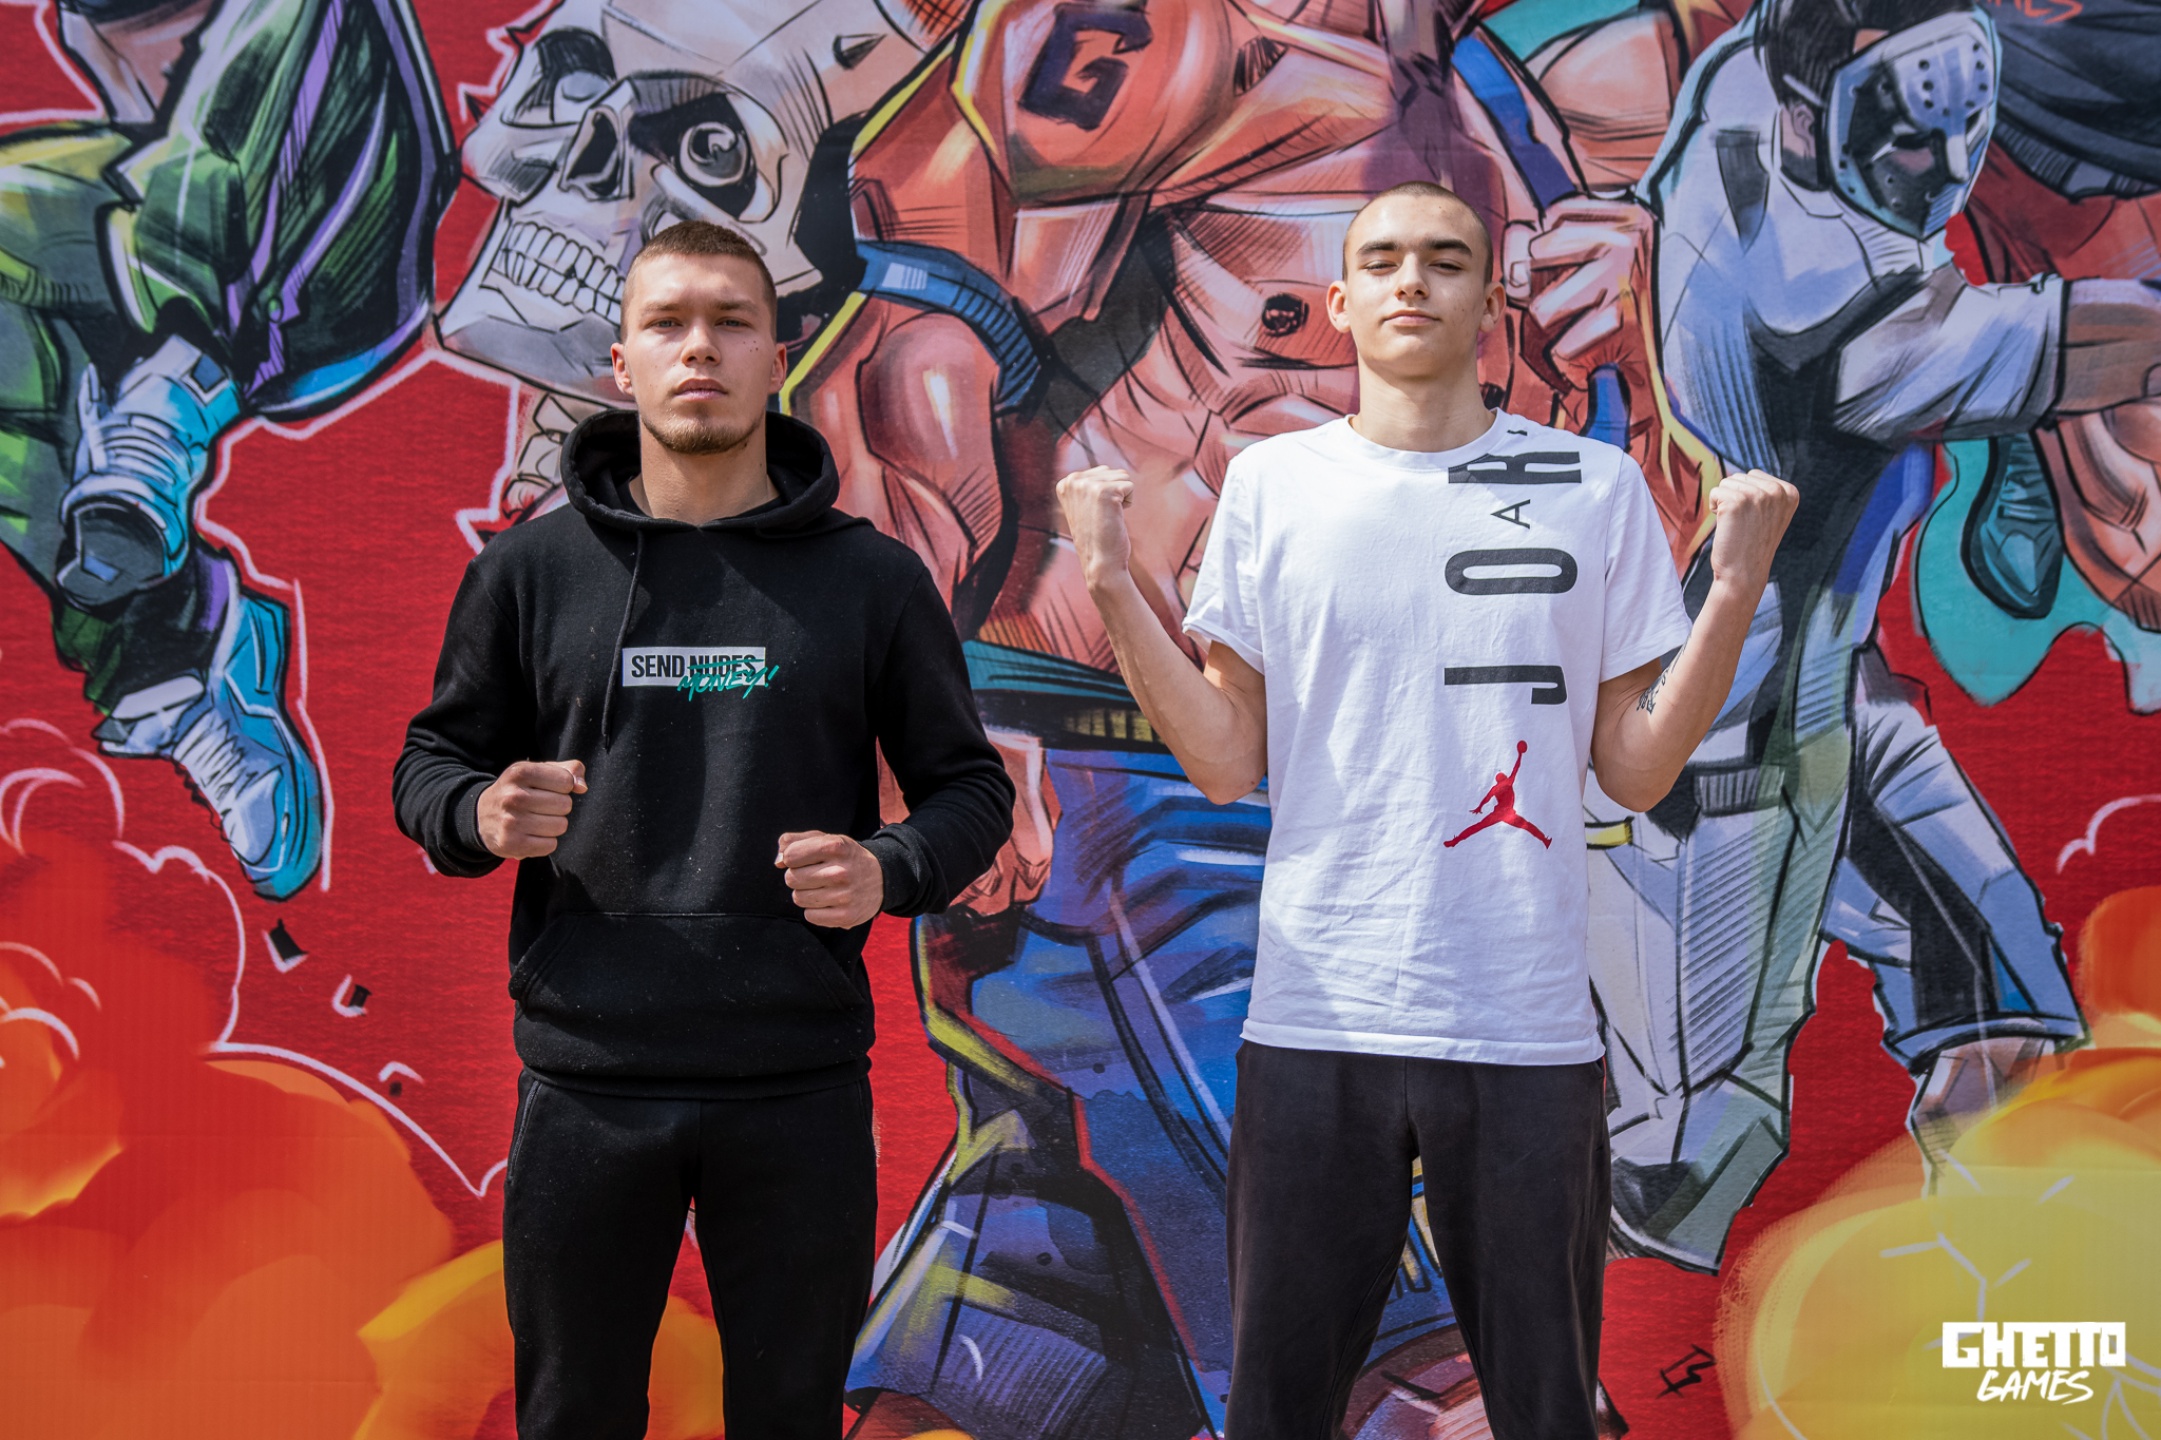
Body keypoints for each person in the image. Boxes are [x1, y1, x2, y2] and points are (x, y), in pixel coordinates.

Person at [1055, 181, 1798, 1439]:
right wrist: (1113, 583)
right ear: (1338, 303)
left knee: (1544, 1408)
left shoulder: (1593, 485)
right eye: (1384, 260)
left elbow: (1633, 771)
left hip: (1523, 1028)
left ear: (1491, 300)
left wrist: (1731, 591)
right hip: (1316, 1019)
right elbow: (1226, 760)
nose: (1413, 281)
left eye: (1446, 261)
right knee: (1278, 1408)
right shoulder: (1274, 484)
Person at [391, 220, 1014, 1440]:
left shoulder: (871, 579)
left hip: (797, 1089)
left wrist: (888, 868)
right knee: (572, 1417)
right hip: (585, 1085)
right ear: (619, 362)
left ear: (776, 359)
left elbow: (968, 791)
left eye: (731, 323)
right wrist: (477, 811)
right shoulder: (530, 571)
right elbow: (430, 765)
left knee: (789, 1418)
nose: (698, 349)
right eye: (667, 323)